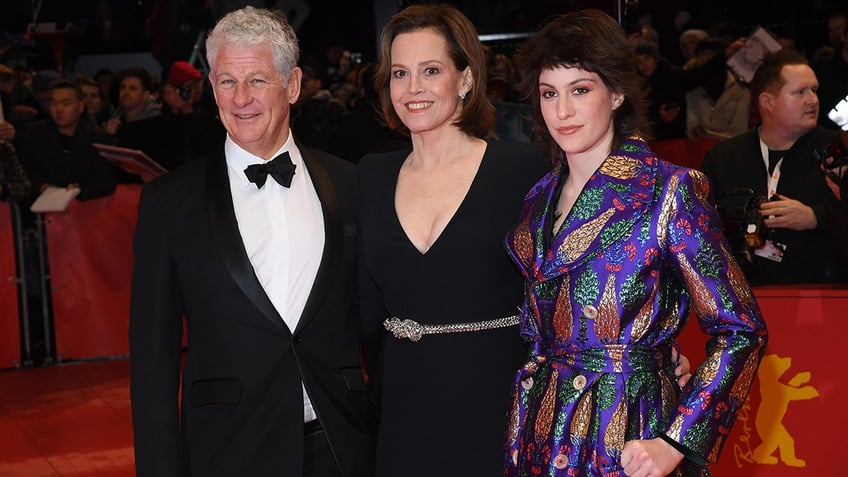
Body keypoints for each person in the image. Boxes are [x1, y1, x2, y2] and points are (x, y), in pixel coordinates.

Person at [356, 5, 693, 476]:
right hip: (403, 405)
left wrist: (650, 349)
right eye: (399, 73)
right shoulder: (369, 177)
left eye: (430, 70)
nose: (413, 88)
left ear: (466, 79)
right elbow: (355, 304)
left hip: (507, 400)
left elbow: (601, 270)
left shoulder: (532, 172)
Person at [502, 10, 767, 476]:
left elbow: (741, 330)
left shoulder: (668, 191)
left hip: (627, 431)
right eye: (549, 93)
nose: (561, 111)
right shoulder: (537, 197)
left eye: (580, 90)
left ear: (617, 92)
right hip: (540, 430)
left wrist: (675, 441)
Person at [129, 7, 374, 477]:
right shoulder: (168, 203)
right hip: (227, 449)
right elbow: (152, 360)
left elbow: (375, 319)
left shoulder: (351, 184)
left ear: (294, 85)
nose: (240, 99)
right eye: (226, 81)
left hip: (339, 445)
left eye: (257, 80)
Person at [702, 49, 848, 284]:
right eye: (800, 92)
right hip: (748, 296)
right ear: (767, 102)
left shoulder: (839, 152)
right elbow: (704, 233)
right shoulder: (723, 158)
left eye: (814, 90)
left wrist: (815, 217)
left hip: (823, 295)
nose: (813, 100)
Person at [18, 81, 117, 202]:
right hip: (42, 205)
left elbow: (107, 180)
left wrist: (79, 188)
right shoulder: (33, 133)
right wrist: (41, 185)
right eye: (53, 103)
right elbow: (23, 172)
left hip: (85, 207)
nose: (59, 109)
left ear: (80, 107)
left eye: (66, 104)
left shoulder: (97, 138)